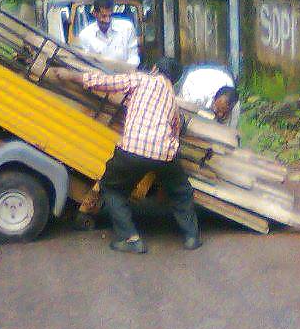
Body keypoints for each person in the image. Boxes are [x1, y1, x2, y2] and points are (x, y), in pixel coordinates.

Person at [53, 57, 201, 254]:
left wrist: (70, 75)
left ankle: (130, 238)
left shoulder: (141, 79)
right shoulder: (173, 100)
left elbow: (104, 83)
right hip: (164, 154)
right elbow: (175, 129)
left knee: (112, 189)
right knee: (181, 192)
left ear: (154, 68)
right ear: (174, 80)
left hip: (132, 150)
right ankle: (191, 236)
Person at [77, 0, 140, 67]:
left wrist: (128, 70)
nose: (107, 20)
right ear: (95, 14)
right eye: (103, 16)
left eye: (110, 16)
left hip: (124, 75)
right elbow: (85, 63)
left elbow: (133, 56)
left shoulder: (127, 28)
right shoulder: (85, 35)